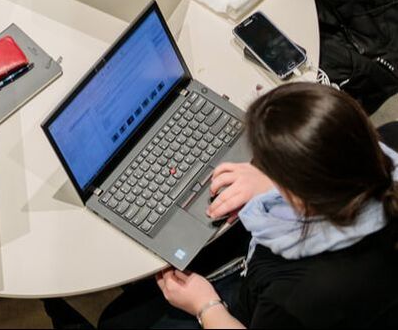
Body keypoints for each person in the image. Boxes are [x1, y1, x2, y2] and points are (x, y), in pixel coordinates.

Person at [95, 82, 398, 329]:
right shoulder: (390, 142)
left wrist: (205, 306)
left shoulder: (296, 298)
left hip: (241, 308)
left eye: (266, 164)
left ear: (301, 193)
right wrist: (271, 178)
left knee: (115, 321)